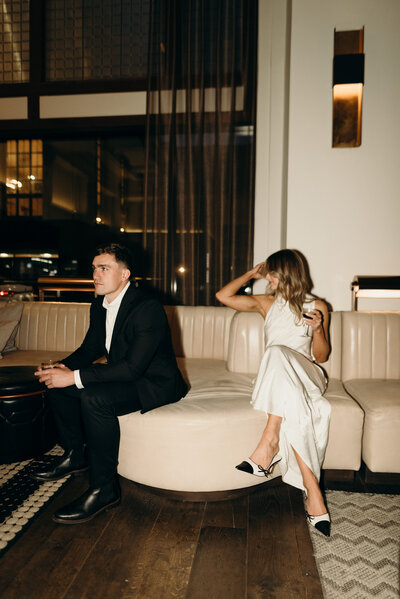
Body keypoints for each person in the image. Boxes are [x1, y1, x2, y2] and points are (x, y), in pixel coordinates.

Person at [33, 243, 188, 524]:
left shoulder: (147, 307)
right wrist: (61, 367)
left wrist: (74, 376)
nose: (95, 274)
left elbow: (132, 368)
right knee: (57, 383)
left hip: (154, 383)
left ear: (125, 274)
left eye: (104, 268)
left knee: (94, 398)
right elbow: (91, 348)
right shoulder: (100, 303)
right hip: (127, 375)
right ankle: (75, 454)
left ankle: (105, 490)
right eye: (94, 268)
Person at [216, 249, 331, 537]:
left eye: (271, 273)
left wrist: (317, 329)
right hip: (279, 380)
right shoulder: (265, 303)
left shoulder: (317, 305)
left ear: (287, 273)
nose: (267, 278)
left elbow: (323, 355)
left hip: (309, 375)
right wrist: (249, 275)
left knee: (277, 351)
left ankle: (269, 442)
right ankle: (313, 492)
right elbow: (223, 297)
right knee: (280, 366)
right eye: (266, 273)